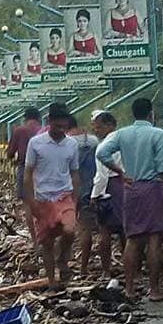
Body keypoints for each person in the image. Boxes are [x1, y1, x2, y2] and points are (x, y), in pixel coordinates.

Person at [96, 97, 163, 302]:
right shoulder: (158, 134)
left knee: (132, 239)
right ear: (151, 114)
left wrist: (119, 171)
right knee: (154, 239)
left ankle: (129, 288)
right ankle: (154, 289)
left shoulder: (122, 134)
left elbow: (101, 152)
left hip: (130, 189)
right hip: (153, 188)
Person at [24, 103, 79, 289]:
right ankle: (51, 280)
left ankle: (62, 258)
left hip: (64, 195)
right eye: (57, 126)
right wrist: (31, 202)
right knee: (46, 242)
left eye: (64, 127)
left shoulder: (72, 144)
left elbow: (75, 173)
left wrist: (75, 199)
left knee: (70, 231)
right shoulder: (36, 143)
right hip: (43, 198)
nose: (61, 130)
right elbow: (28, 173)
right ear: (49, 122)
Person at [90, 110, 125, 276]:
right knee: (126, 230)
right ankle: (130, 267)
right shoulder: (126, 141)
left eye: (99, 127)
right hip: (125, 185)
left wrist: (95, 195)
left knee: (104, 231)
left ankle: (106, 269)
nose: (96, 130)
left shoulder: (103, 146)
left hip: (110, 187)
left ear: (110, 125)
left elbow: (102, 175)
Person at [66, 115, 99, 280]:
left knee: (68, 229)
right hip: (93, 188)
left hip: (71, 190)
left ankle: (64, 264)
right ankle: (84, 267)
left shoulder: (66, 143)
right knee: (93, 229)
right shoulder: (93, 140)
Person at [7, 106, 43, 244]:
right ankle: (46, 235)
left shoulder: (19, 130)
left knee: (28, 204)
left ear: (25, 118)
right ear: (39, 118)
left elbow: (10, 152)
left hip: (25, 168)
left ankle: (35, 239)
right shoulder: (44, 130)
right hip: (43, 169)